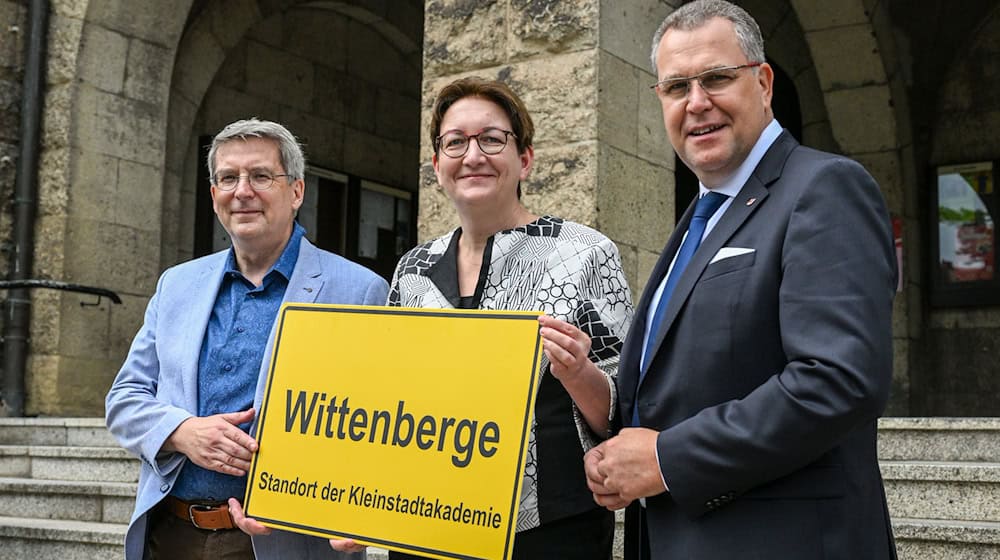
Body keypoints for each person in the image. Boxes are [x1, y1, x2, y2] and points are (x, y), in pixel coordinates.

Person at [584, 1, 898, 559]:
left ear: (764, 82)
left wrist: (666, 459)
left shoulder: (824, 189)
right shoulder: (699, 219)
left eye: (717, 78)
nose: (697, 102)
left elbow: (837, 380)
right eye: (677, 87)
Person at [357, 76, 632, 559]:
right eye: (455, 142)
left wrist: (578, 372)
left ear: (524, 158)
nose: (473, 155)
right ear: (438, 165)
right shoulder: (412, 270)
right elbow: (390, 405)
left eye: (492, 139)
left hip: (548, 530)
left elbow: (625, 412)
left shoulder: (585, 253)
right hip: (427, 525)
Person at [106, 118, 388, 560]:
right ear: (214, 193)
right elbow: (124, 399)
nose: (243, 191)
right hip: (169, 533)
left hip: (285, 542)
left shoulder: (360, 290)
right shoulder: (177, 284)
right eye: (228, 178)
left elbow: (379, 424)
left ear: (296, 191)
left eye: (261, 176)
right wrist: (182, 432)